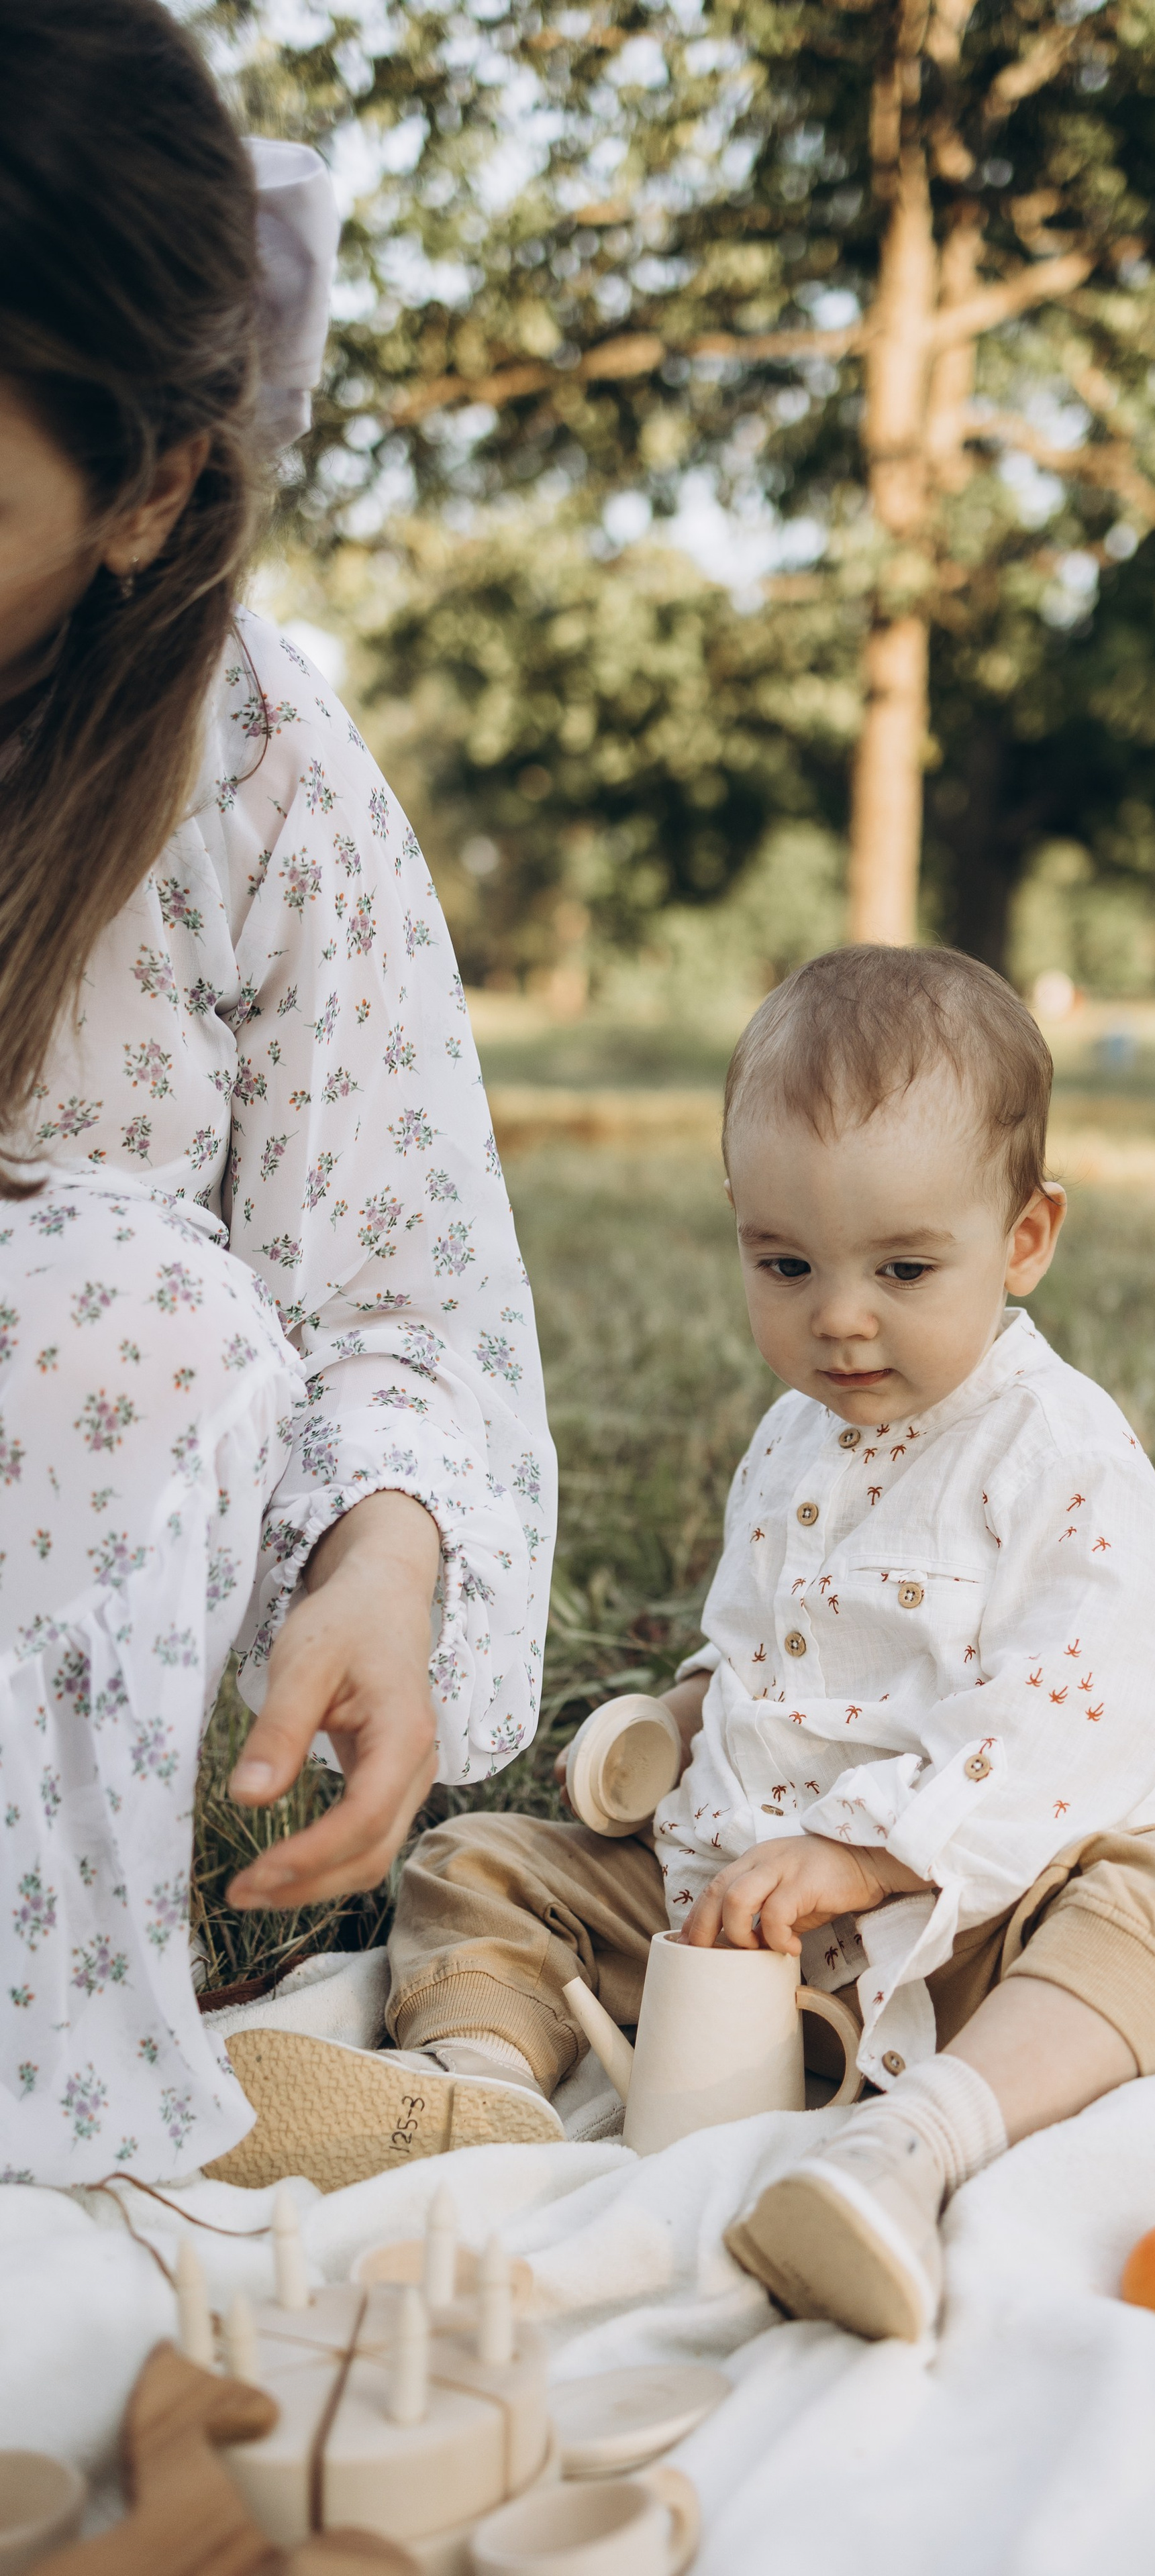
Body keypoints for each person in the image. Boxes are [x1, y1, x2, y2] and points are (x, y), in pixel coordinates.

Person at [260, 945, 1155, 2338]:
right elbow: (757, 1653)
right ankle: (481, 2095)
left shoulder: (1058, 1456)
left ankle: (914, 2145)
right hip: (725, 1913)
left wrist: (863, 1855)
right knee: (474, 1859)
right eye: (783, 1263)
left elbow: (1073, 1708)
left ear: (1025, 1237)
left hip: (959, 1926)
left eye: (903, 1267)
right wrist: (667, 1727)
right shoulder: (797, 1435)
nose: (837, 1317)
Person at [0, 0, 556, 2187]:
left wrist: (386, 1551)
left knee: (143, 1312)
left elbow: (392, 1285)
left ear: (146, 490)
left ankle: (62, 2037)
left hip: (95, 1550)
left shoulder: (250, 775)